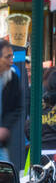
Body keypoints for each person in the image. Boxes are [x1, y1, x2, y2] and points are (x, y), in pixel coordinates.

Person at [0, 41, 21, 169]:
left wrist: (5, 127)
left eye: (12, 56)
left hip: (2, 143)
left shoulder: (12, 78)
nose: (11, 60)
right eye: (7, 57)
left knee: (7, 174)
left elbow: (16, 108)